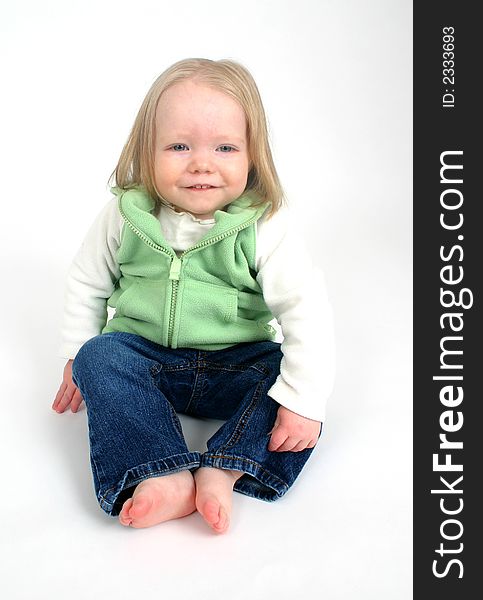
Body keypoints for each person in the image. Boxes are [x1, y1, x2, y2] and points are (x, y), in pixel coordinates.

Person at [52, 58, 335, 534]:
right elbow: (87, 282)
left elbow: (305, 311)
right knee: (99, 356)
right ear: (147, 152)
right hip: (148, 359)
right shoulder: (125, 215)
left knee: (291, 380)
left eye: (225, 147)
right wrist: (75, 357)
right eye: (179, 146)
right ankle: (163, 474)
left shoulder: (263, 224)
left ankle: (223, 468)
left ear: (252, 155)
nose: (201, 163)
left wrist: (303, 399)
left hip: (238, 363)